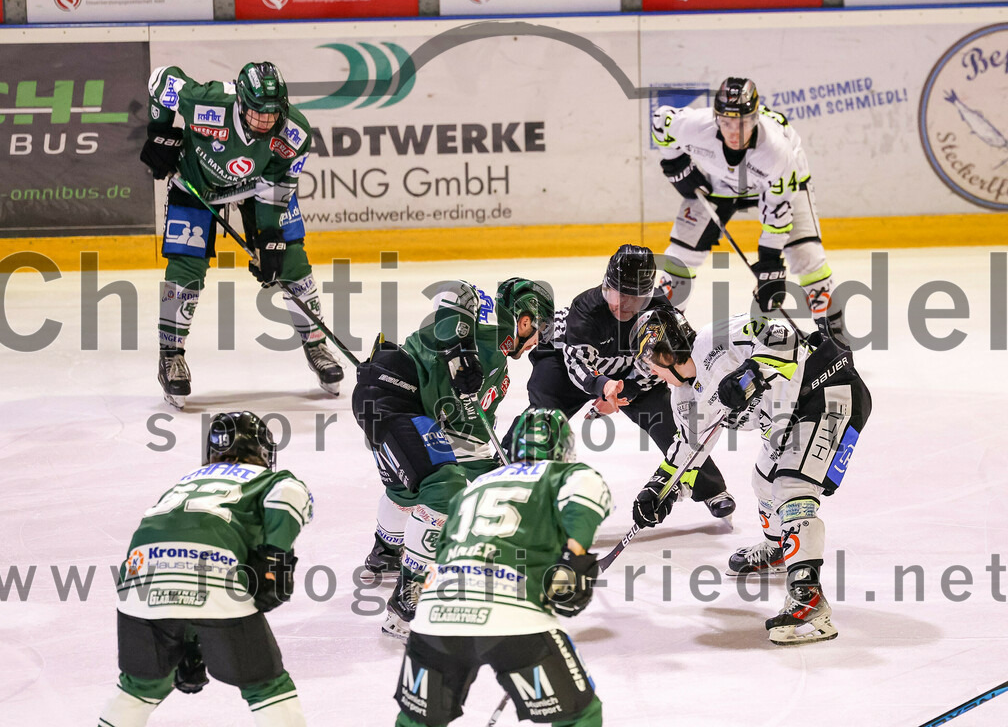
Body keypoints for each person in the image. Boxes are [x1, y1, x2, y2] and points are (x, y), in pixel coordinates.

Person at [629, 306, 871, 644]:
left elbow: (783, 336)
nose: (651, 372)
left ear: (664, 352)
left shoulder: (718, 337)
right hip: (787, 419)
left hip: (826, 388)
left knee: (791, 487)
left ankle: (809, 602)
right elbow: (689, 450)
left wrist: (750, 374)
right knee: (764, 482)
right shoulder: (683, 398)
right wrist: (659, 490)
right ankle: (779, 548)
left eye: (648, 362)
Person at [353, 278, 555, 639]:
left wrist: (499, 482)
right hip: (391, 392)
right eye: (538, 329)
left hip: (401, 412)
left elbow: (469, 447)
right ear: (525, 320)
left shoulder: (499, 372)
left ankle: (386, 551)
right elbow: (450, 295)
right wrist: (461, 351)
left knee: (416, 485)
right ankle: (408, 605)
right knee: (441, 488)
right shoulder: (483, 317)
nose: (538, 340)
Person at [142, 61, 343, 408]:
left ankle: (316, 344)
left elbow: (278, 185)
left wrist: (268, 240)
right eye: (257, 113)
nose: (265, 122)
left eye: (272, 114)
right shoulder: (207, 103)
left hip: (255, 189)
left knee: (291, 258)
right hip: (195, 184)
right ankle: (170, 355)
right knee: (186, 269)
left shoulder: (295, 132)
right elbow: (160, 79)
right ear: (240, 103)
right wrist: (158, 132)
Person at [394, 407, 611, 726]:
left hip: (436, 616)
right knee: (579, 714)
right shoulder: (565, 474)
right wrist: (573, 561)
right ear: (565, 451)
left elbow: (441, 557)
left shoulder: (472, 489)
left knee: (416, 720)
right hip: (512, 618)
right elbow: (587, 495)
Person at [97, 411, 313, 725]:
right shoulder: (270, 479)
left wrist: (187, 641)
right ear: (263, 451)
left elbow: (171, 540)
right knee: (265, 685)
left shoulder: (184, 482)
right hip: (213, 570)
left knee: (142, 686)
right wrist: (275, 560)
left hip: (139, 577)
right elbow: (288, 496)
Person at [508, 243, 735, 520]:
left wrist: (625, 389)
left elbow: (662, 365)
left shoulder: (661, 313)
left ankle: (709, 488)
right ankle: (509, 469)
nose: (620, 304)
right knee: (544, 417)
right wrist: (604, 387)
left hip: (627, 372)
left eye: (632, 297)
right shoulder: (586, 309)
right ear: (606, 284)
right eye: (615, 292)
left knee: (668, 421)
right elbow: (578, 363)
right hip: (565, 367)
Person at [651, 77, 848, 346]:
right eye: (726, 121)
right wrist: (675, 163)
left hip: (783, 183)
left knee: (807, 257)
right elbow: (661, 122)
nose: (734, 132)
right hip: (719, 183)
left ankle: (834, 340)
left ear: (755, 117)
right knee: (681, 256)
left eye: (742, 122)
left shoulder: (777, 151)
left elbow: (777, 210)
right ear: (716, 116)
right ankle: (663, 334)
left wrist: (769, 258)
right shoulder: (697, 126)